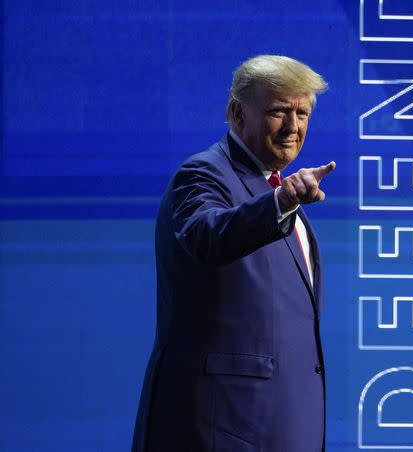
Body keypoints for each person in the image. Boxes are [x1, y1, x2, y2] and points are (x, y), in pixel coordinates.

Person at [132, 55, 333, 451]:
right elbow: (208, 234)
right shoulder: (204, 175)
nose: (294, 127)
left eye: (303, 113)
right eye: (278, 111)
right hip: (223, 428)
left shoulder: (274, 189)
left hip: (282, 426)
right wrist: (279, 202)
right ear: (237, 113)